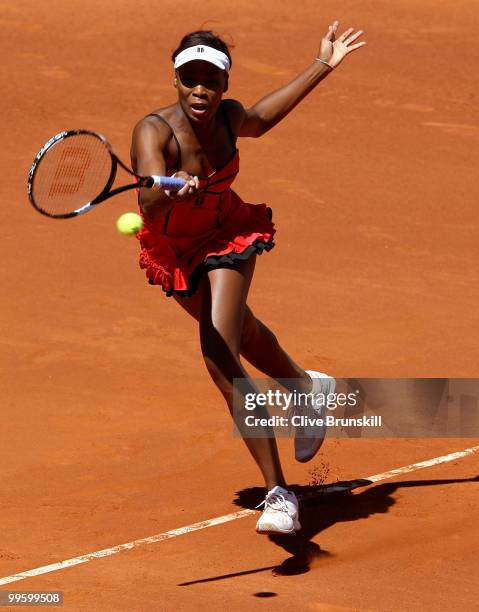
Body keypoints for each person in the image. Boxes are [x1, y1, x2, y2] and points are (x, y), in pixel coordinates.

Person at [130, 21, 366, 535]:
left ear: (224, 86)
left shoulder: (228, 118)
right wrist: (171, 189)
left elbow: (262, 118)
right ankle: (306, 389)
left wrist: (323, 63)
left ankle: (279, 494)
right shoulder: (153, 132)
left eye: (210, 81)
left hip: (227, 238)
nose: (200, 89)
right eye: (190, 78)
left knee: (219, 351)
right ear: (175, 80)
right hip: (175, 250)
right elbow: (146, 202)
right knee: (244, 331)